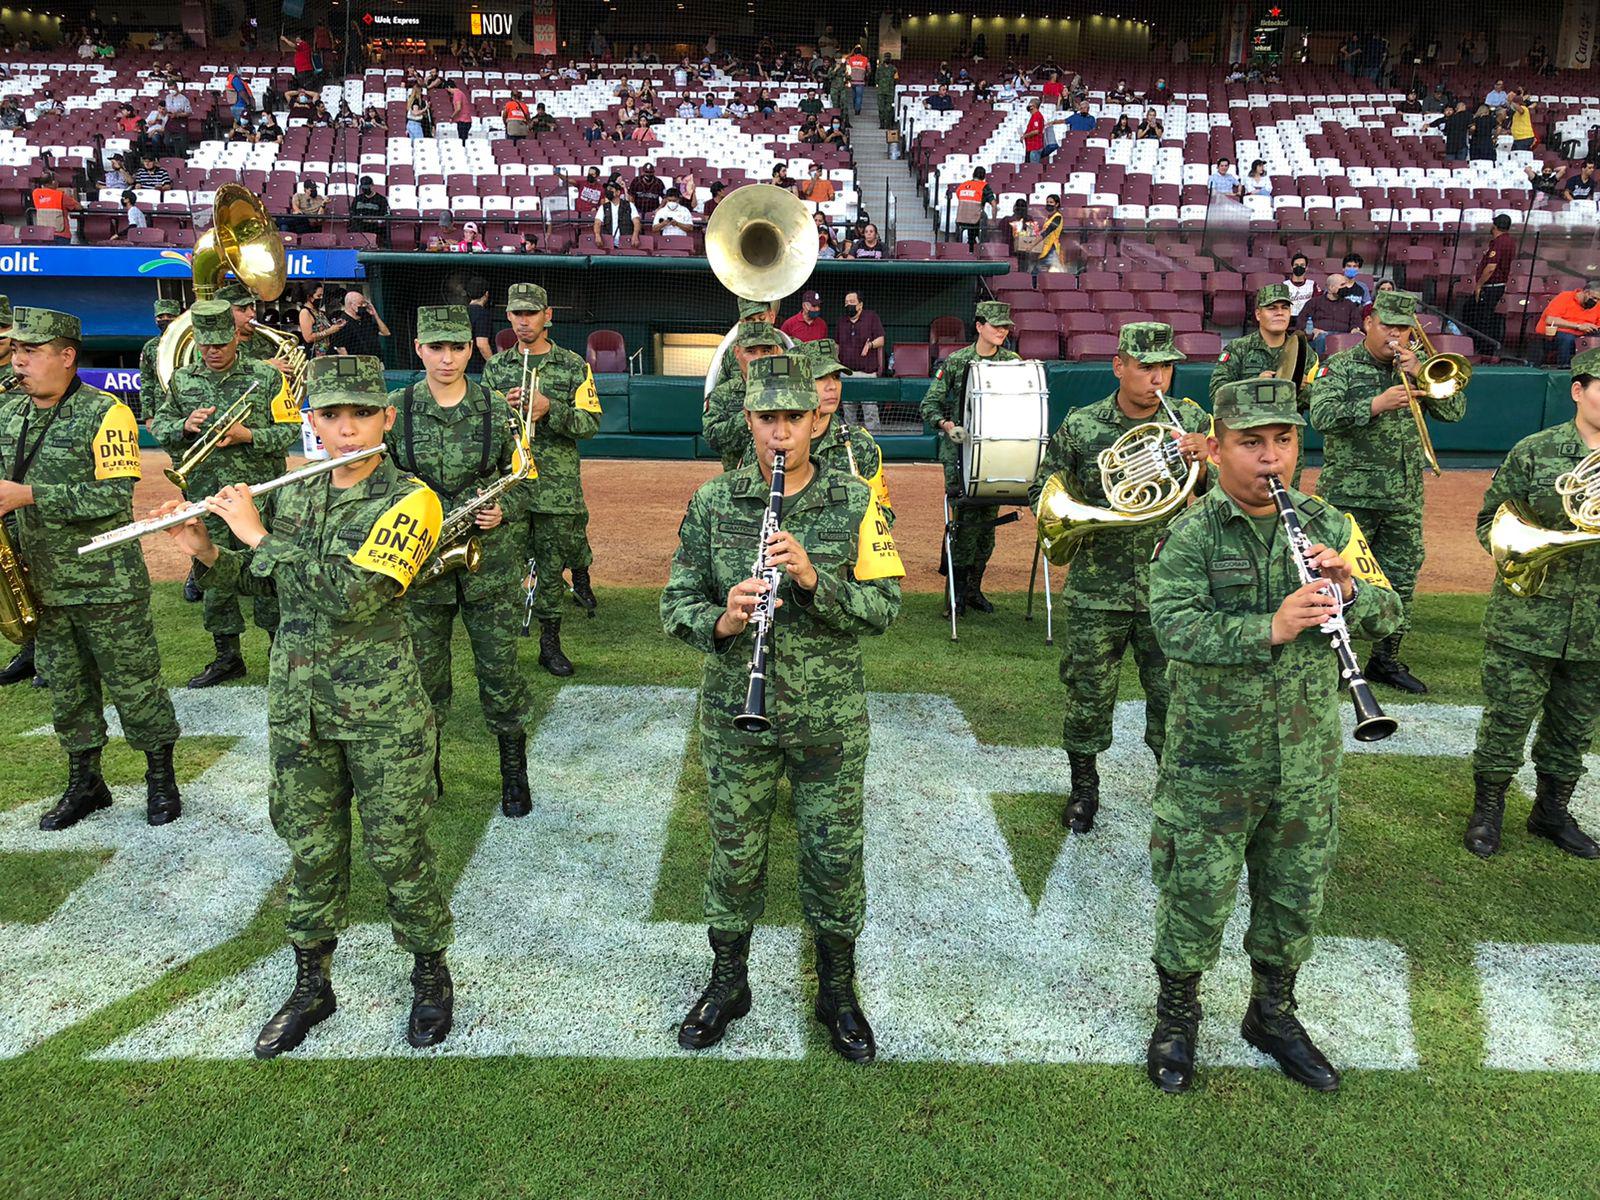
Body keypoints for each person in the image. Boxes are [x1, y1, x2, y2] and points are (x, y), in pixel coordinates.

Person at [162, 354, 453, 1058]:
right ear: (311, 420)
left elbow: (355, 595)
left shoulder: (413, 498)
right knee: (310, 850)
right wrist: (207, 551)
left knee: (399, 851)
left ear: (386, 417)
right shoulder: (293, 494)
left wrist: (255, 535)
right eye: (331, 415)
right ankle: (311, 985)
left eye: (361, 414)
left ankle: (429, 975)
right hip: (299, 709)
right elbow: (269, 592)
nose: (347, 430)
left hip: (382, 716)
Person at [1144, 376, 1403, 1095]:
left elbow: (1391, 609)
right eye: (1251, 443)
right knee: (1195, 894)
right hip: (1210, 761)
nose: (1271, 459)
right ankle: (1176, 1015)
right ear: (1218, 448)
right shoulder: (1191, 533)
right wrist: (1271, 625)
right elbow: (1173, 628)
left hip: (1306, 758)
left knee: (1293, 897)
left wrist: (1350, 590)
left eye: (1283, 440)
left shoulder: (1332, 524)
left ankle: (1273, 1012)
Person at [661, 351, 902, 1063]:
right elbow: (675, 602)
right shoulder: (713, 502)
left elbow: (884, 607)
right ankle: (728, 980)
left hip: (827, 721)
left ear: (815, 421)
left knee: (833, 858)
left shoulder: (857, 503)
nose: (780, 433)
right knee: (735, 856)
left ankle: (837, 990)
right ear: (748, 420)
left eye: (793, 418)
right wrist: (724, 620)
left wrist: (811, 579)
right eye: (767, 417)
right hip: (738, 712)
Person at [0, 305, 181, 826]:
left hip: (107, 585)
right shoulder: (8, 414)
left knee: (134, 684)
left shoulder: (107, 413)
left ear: (66, 356)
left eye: (31, 351)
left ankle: (160, 779)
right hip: (42, 583)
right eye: (16, 350)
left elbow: (113, 497)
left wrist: (29, 495)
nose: (19, 361)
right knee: (67, 691)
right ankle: (86, 783)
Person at [1028, 323, 1209, 830]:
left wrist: (1208, 459)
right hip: (1096, 587)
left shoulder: (1191, 421)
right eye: (1147, 366)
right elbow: (1044, 488)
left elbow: (1223, 493)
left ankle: (1174, 791)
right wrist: (1079, 514)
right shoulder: (1084, 425)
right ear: (1119, 366)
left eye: (1166, 367)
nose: (1158, 378)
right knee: (1087, 694)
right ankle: (1084, 789)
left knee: (1173, 696)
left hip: (1172, 587)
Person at [386, 305, 533, 813]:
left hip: (488, 565)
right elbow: (375, 483)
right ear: (419, 349)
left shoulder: (498, 407)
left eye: (457, 348)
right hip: (420, 568)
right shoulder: (394, 409)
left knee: (501, 673)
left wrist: (503, 509)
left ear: (471, 349)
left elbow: (525, 477)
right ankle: (429, 771)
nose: (446, 359)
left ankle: (514, 772)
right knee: (425, 679)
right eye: (436, 348)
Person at [1464, 347, 1600, 860]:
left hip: (1596, 625)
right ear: (1577, 391)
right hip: (1527, 617)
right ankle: (1488, 811)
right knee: (1507, 718)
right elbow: (1490, 523)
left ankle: (1551, 811)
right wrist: (1536, 547)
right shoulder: (1535, 451)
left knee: (1575, 726)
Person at [1308, 290, 1466, 693]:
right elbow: (1322, 417)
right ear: (1368, 324)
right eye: (1387, 326)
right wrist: (1374, 404)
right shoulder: (1338, 366)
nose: (1395, 336)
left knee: (1399, 580)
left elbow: (1455, 412)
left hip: (1403, 498)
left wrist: (1420, 373)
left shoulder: (1418, 368)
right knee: (1335, 578)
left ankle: (1386, 659)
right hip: (1348, 499)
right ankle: (1336, 660)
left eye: (1403, 328)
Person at [153, 299, 297, 686]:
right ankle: (226, 656)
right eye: (206, 344)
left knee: (268, 572)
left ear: (236, 336)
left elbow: (290, 430)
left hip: (260, 497)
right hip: (207, 496)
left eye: (220, 342)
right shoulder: (183, 381)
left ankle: (277, 650)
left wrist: (247, 435)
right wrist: (184, 425)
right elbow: (160, 426)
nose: (213, 351)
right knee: (213, 577)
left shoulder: (265, 377)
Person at [481, 284, 602, 668]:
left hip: (555, 491)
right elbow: (481, 425)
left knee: (550, 573)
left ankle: (550, 644)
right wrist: (503, 407)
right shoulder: (496, 368)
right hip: (510, 486)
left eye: (531, 313)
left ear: (548, 316)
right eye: (516, 314)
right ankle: (500, 648)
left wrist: (551, 410)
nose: (523, 321)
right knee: (503, 568)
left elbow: (590, 423)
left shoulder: (572, 366)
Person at [922, 302, 1022, 616]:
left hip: (996, 453)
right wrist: (946, 425)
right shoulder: (956, 362)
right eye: (996, 325)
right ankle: (955, 596)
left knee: (987, 526)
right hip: (960, 455)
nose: (1002, 331)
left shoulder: (1013, 363)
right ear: (979, 326)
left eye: (1005, 326)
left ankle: (974, 589)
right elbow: (930, 405)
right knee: (962, 524)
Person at [1212, 285, 1311, 481]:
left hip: (1286, 447)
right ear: (1258, 314)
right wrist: (1255, 385)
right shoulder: (1239, 349)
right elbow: (1217, 393)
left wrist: (1300, 388)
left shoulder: (1303, 353)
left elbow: (1320, 399)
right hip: (1246, 444)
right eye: (1272, 308)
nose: (1279, 313)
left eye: (1284, 308)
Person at [801, 339, 890, 514]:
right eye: (820, 378)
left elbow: (882, 513)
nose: (832, 387)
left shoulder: (859, 443)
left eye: (836, 377)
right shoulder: (775, 441)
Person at [703, 320, 786, 472]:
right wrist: (750, 415)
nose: (759, 358)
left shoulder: (789, 391)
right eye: (751, 351)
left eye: (766, 351)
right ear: (737, 353)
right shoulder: (723, 393)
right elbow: (712, 439)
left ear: (775, 352)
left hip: (783, 478)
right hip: (739, 481)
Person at [1465, 212, 1515, 354]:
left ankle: (1483, 349)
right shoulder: (1509, 241)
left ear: (1495, 226)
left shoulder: (1499, 243)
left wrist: (1479, 285)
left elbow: (1491, 268)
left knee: (1480, 317)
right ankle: (1485, 348)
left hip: (1491, 286)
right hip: (1497, 286)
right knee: (1481, 315)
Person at [1535, 278, 1600, 368]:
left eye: (1599, 300)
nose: (1596, 302)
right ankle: (1563, 368)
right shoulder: (1565, 297)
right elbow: (1550, 319)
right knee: (1567, 338)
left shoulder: (1597, 305)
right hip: (1557, 335)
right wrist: (1578, 326)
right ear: (1586, 292)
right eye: (1594, 298)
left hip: (1584, 335)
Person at [137, 296, 181, 425]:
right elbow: (147, 381)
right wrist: (148, 415)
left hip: (189, 404)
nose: (165, 320)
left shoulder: (190, 342)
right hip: (162, 408)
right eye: (161, 317)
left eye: (170, 316)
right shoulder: (150, 347)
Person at [1300, 272, 1364, 354]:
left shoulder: (1350, 304)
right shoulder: (1314, 302)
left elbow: (1357, 321)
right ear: (1331, 287)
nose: (1346, 288)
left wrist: (1355, 329)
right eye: (1342, 285)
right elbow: (1301, 322)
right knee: (1322, 338)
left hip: (1344, 336)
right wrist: (1313, 330)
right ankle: (1323, 365)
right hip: (1322, 336)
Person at [836, 290, 886, 386]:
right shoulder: (841, 321)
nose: (848, 305)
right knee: (847, 401)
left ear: (860, 305)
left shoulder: (871, 317)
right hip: (846, 374)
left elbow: (881, 340)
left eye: (852, 302)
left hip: (867, 375)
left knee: (868, 401)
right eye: (846, 302)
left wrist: (870, 345)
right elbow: (837, 345)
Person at [951, 166, 997, 248]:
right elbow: (994, 205)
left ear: (973, 174)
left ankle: (971, 243)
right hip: (975, 219)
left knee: (972, 216)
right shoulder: (984, 186)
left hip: (961, 217)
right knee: (983, 216)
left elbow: (960, 197)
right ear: (984, 177)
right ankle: (982, 245)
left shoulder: (963, 185)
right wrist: (993, 220)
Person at [297, 282, 345, 358]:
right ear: (309, 297)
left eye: (322, 295)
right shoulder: (305, 312)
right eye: (318, 296)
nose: (321, 298)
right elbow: (308, 338)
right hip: (316, 355)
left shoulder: (319, 312)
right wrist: (329, 331)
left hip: (328, 352)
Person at [593, 181, 641, 248]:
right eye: (607, 189)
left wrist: (635, 236)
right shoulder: (603, 207)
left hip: (626, 242)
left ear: (618, 192)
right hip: (608, 243)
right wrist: (597, 235)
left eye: (610, 189)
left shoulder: (629, 205)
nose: (608, 191)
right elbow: (597, 222)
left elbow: (636, 222)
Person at [348, 177, 389, 244]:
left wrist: (374, 220)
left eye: (367, 187)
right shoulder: (357, 199)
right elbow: (352, 212)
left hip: (374, 227)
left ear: (372, 185)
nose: (365, 189)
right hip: (359, 226)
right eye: (363, 187)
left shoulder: (381, 199)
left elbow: (385, 215)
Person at [846, 44, 871, 115]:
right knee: (859, 97)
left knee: (854, 96)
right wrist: (866, 75)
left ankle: (855, 107)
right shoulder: (865, 59)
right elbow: (869, 69)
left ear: (854, 52)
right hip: (861, 82)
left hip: (852, 81)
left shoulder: (850, 59)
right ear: (861, 52)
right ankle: (857, 110)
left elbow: (847, 70)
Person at [875, 51, 897, 128]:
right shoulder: (879, 68)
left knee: (889, 109)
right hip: (881, 91)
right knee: (881, 108)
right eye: (886, 57)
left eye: (888, 57)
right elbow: (876, 79)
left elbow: (896, 79)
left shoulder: (894, 69)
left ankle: (888, 124)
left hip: (890, 92)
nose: (887, 59)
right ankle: (882, 124)